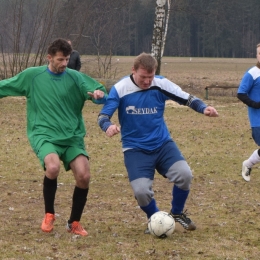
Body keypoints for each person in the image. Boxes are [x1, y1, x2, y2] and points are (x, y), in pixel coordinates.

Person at [97, 52, 218, 232]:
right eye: (143, 77)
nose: (147, 82)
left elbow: (186, 98)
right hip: (135, 149)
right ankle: (154, 218)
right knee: (141, 192)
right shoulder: (120, 88)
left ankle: (176, 213)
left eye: (150, 77)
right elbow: (103, 115)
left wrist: (204, 108)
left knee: (184, 175)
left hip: (162, 145)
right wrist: (108, 126)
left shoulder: (160, 84)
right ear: (133, 70)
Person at [0, 38, 107, 236]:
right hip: (44, 134)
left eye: (67, 59)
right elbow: (4, 87)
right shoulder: (32, 76)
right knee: (53, 166)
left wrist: (99, 95)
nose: (64, 63)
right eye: (60, 59)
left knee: (84, 176)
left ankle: (74, 222)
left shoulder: (76, 77)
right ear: (49, 58)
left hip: (72, 136)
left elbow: (100, 92)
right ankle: (49, 214)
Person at [237, 43, 260, 182]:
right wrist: (256, 104)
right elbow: (241, 93)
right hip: (258, 121)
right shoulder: (252, 73)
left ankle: (248, 164)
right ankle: (248, 163)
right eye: (259, 53)